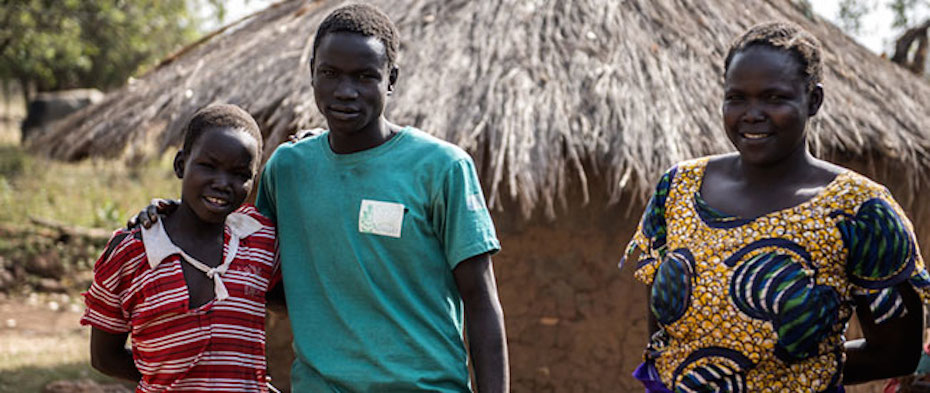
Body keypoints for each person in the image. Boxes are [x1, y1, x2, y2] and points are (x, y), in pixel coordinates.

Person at [134, 4, 509, 392]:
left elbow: (481, 300)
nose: (345, 91)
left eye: (365, 76)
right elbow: (251, 265)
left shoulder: (441, 167)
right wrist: (172, 215)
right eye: (330, 74)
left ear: (391, 79)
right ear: (312, 71)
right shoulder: (289, 168)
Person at [622, 22, 930, 392]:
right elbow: (662, 337)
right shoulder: (679, 188)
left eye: (774, 97)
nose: (752, 114)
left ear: (813, 100)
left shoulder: (860, 209)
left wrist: (777, 377)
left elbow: (897, 353)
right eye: (737, 98)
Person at [82, 104, 279, 392]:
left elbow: (294, 302)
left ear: (252, 180)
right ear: (180, 165)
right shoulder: (130, 253)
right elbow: (104, 357)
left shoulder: (259, 242)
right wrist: (171, 380)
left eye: (239, 173)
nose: (222, 183)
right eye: (208, 166)